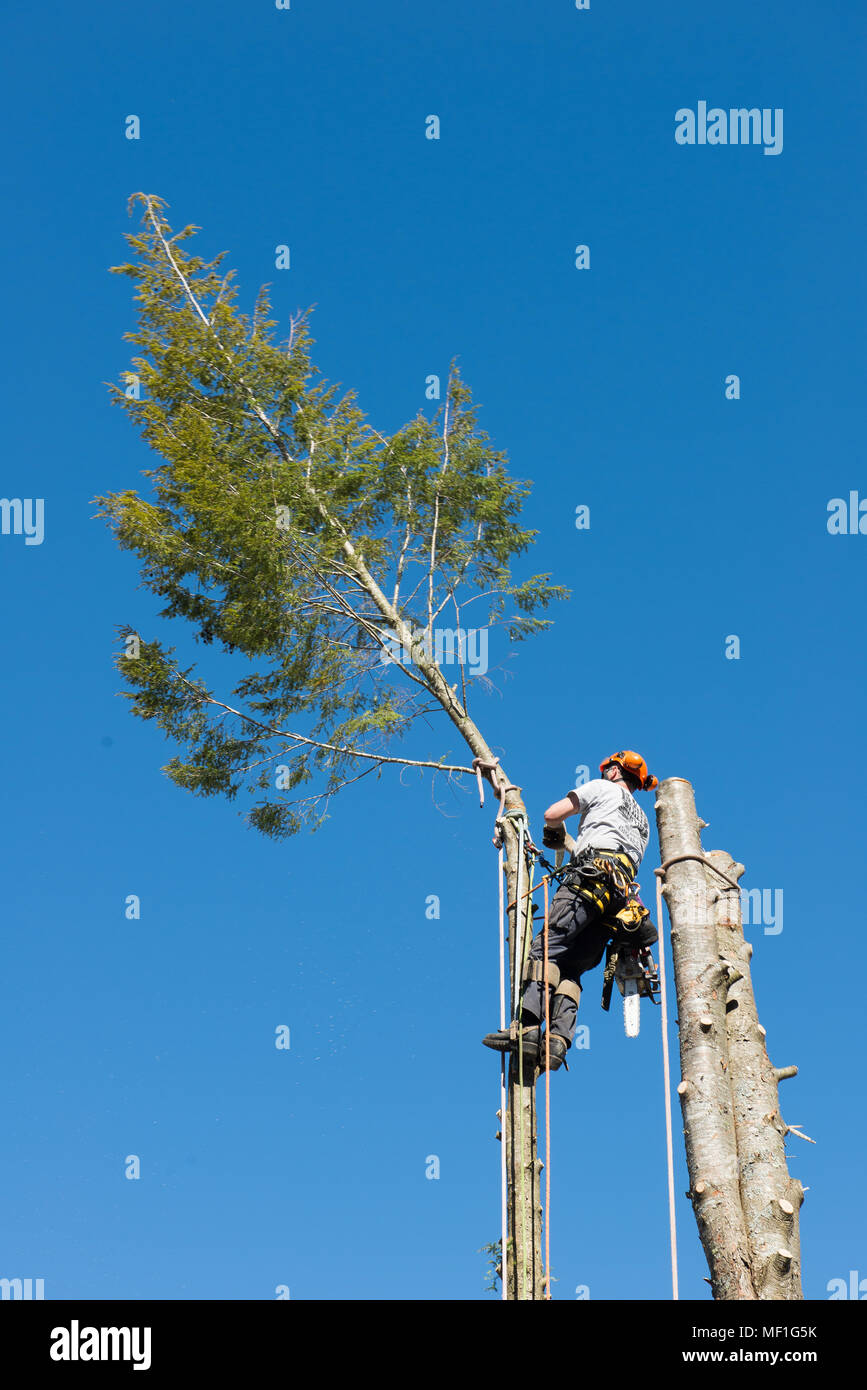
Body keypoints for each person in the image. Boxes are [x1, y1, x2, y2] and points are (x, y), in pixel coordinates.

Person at [482, 751, 659, 1071]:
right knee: (571, 970)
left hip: (586, 882)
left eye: (609, 770)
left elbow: (553, 814)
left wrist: (553, 834)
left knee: (545, 949)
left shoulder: (602, 788)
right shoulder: (643, 822)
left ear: (617, 772)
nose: (605, 774)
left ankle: (528, 1029)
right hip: (614, 904)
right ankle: (557, 1042)